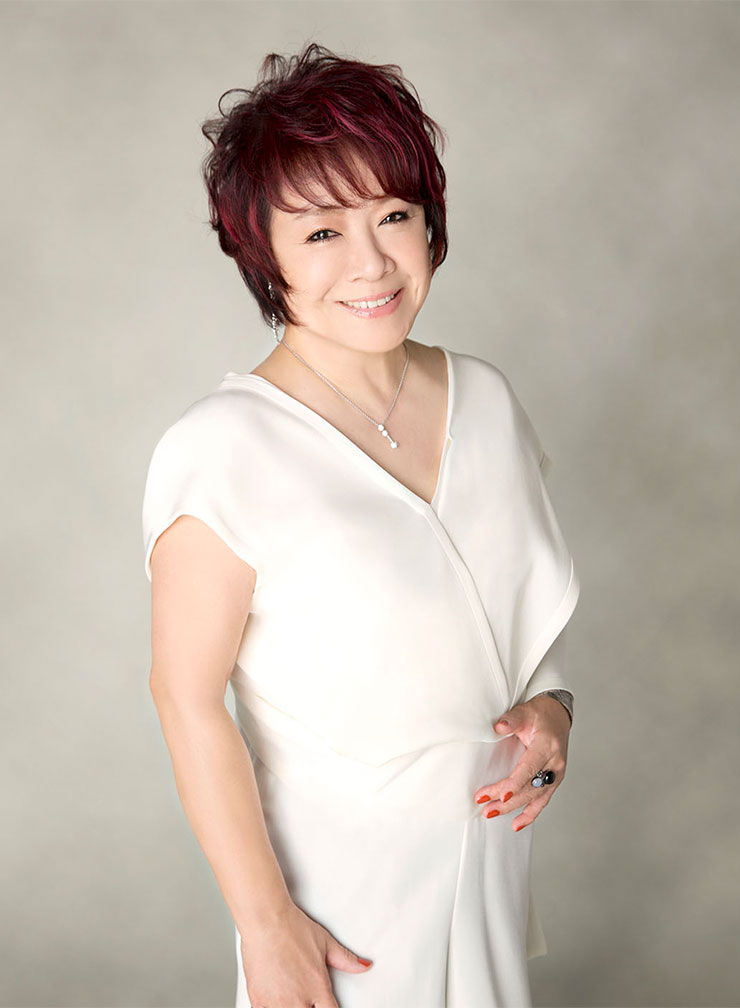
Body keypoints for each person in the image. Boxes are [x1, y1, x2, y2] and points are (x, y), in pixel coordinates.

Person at [142, 42, 580, 1008]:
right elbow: (185, 698)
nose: (371, 262)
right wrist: (268, 925)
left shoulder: (487, 402)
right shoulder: (223, 448)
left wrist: (551, 711)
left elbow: (513, 617)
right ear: (263, 253)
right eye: (321, 232)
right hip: (338, 897)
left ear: (430, 223)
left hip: (485, 862)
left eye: (393, 216)